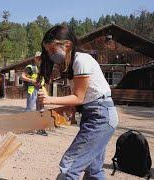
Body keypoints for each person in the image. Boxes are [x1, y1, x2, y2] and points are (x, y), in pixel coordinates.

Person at [37, 25, 119, 179]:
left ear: (67, 45)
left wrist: (49, 100)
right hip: (95, 114)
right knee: (94, 170)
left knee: (69, 167)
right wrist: (69, 108)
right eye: (48, 50)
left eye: (52, 49)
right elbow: (82, 99)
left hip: (100, 116)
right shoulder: (71, 64)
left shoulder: (81, 60)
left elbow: (79, 97)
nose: (49, 53)